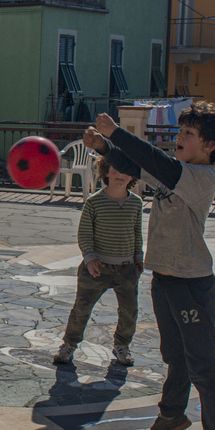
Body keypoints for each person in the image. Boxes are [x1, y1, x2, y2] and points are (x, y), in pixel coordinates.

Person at [86, 102, 215, 430]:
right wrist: (104, 148)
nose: (179, 139)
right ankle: (172, 415)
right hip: (166, 279)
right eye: (181, 132)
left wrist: (117, 133)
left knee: (204, 369)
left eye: (188, 134)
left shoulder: (202, 177)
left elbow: (158, 164)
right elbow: (140, 167)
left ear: (210, 145)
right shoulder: (178, 171)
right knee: (175, 356)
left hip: (192, 284)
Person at [54, 151, 143, 368]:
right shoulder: (94, 203)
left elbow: (137, 231)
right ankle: (69, 344)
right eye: (115, 169)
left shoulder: (136, 203)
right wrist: (90, 258)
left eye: (125, 171)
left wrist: (138, 257)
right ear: (106, 172)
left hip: (126, 268)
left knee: (129, 311)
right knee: (82, 308)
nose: (120, 174)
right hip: (96, 268)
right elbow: (85, 233)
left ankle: (122, 345)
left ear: (132, 176)